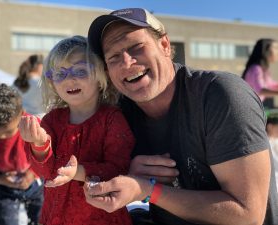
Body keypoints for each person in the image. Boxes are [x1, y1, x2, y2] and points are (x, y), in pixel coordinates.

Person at [79, 8, 275, 225]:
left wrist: (148, 190)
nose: (126, 62)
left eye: (136, 47)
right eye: (114, 57)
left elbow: (248, 215)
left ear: (164, 45)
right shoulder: (119, 114)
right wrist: (125, 173)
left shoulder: (220, 95)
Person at [18, 35, 135, 225]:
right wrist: (39, 144)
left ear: (100, 76)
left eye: (80, 72)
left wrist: (79, 172)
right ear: (52, 82)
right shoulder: (53, 120)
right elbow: (43, 172)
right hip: (56, 216)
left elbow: (120, 169)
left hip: (101, 217)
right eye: (60, 73)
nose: (69, 79)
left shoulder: (112, 119)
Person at [0, 84, 43, 225]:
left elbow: (44, 154)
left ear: (22, 114)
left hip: (35, 183)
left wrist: (33, 173)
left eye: (8, 132)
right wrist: (1, 179)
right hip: (2, 187)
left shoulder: (32, 125)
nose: (1, 137)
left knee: (41, 219)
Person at [242, 38, 278, 108]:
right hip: (249, 107)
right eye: (276, 48)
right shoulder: (256, 68)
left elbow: (270, 84)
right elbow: (260, 90)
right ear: (265, 50)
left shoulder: (263, 69)